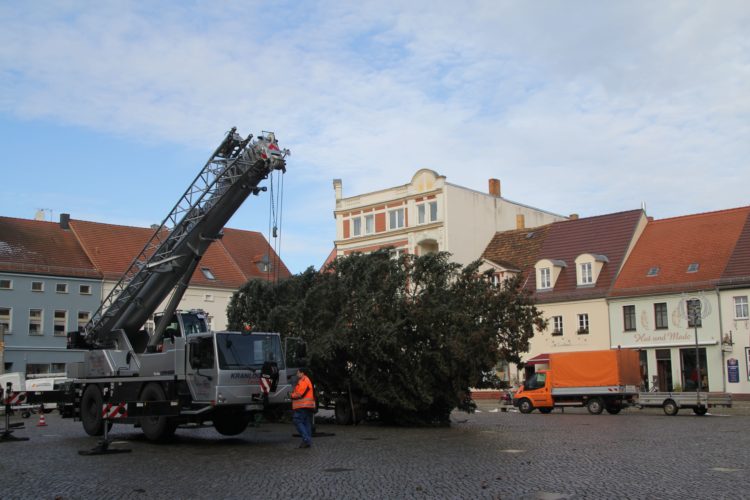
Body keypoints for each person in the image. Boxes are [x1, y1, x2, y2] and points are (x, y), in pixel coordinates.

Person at [290, 367, 316, 449]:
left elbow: (299, 394)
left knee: (297, 420)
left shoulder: (303, 381)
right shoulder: (305, 380)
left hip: (302, 405)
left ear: (302, 373)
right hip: (307, 405)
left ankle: (306, 439)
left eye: (298, 373)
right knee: (306, 423)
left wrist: (291, 395)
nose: (297, 374)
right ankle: (307, 440)